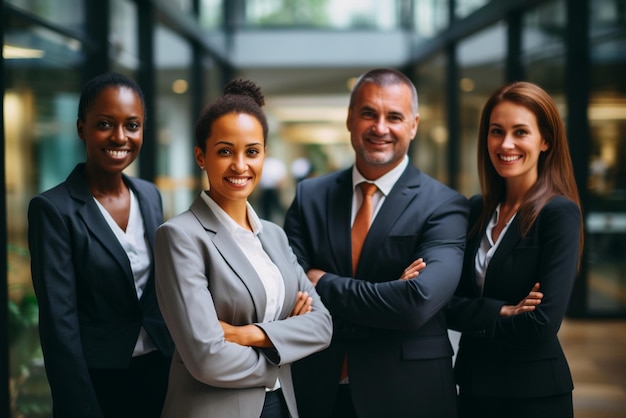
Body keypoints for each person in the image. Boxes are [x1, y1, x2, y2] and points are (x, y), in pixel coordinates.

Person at [283, 68, 469, 418]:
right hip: (318, 388)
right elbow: (287, 288)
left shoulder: (444, 205)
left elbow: (416, 302)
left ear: (413, 125)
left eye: (394, 117)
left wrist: (320, 280)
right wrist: (387, 293)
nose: (380, 128)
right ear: (350, 119)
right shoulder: (310, 196)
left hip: (408, 392)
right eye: (368, 113)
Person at [154, 78, 332, 418]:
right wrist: (282, 351)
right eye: (224, 151)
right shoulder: (179, 237)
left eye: (252, 151)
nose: (240, 165)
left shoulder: (275, 236)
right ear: (200, 156)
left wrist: (246, 334)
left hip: (284, 406)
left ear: (265, 154)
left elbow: (322, 325)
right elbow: (207, 358)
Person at [28, 72, 174, 418]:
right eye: (105, 124)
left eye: (133, 125)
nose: (120, 137)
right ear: (82, 128)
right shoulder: (54, 210)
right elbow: (58, 325)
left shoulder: (149, 195)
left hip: (161, 371)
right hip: (98, 382)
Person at [446, 81, 583, 418]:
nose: (506, 144)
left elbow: (542, 324)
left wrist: (475, 313)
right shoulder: (477, 209)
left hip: (531, 396)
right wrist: (501, 311)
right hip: (473, 388)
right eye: (497, 131)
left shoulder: (558, 213)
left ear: (545, 141)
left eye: (520, 132)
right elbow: (444, 304)